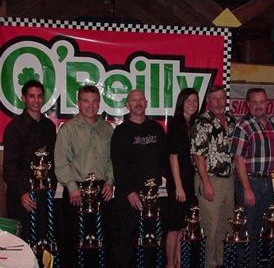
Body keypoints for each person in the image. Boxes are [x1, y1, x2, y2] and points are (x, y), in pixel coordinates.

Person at [54, 85, 114, 267]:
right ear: (79, 103)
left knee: (101, 240)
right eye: (86, 101)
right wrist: (72, 188)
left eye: (95, 101)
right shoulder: (68, 129)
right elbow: (61, 162)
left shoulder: (107, 129)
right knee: (74, 242)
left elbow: (113, 159)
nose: (91, 105)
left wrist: (110, 181)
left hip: (102, 190)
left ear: (99, 103)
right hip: (76, 192)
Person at [110, 89, 168, 268]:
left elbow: (164, 160)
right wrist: (129, 191)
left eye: (141, 99)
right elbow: (117, 165)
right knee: (126, 244)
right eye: (133, 100)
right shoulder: (121, 131)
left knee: (152, 241)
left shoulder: (156, 129)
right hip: (129, 197)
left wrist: (164, 187)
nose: (138, 103)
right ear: (127, 105)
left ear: (146, 102)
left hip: (153, 195)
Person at [230, 88, 274, 267]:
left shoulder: (272, 126)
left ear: (267, 103)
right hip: (249, 182)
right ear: (248, 104)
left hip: (267, 182)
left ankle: (255, 263)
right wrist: (246, 188)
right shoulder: (243, 126)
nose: (259, 106)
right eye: (254, 102)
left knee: (261, 228)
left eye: (262, 102)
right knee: (246, 229)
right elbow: (238, 159)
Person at [3, 80, 56, 242]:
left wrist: (51, 187)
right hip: (23, 196)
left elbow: (53, 159)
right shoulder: (14, 127)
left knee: (44, 240)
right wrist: (22, 193)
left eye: (40, 96)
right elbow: (9, 166)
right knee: (24, 242)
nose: (36, 100)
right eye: (32, 96)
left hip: (44, 194)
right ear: (23, 98)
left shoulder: (49, 126)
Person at [190, 85, 235, 268]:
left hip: (229, 180)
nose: (218, 102)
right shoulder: (202, 122)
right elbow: (198, 154)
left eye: (221, 98)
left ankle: (221, 263)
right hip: (209, 179)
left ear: (226, 100)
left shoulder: (231, 120)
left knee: (226, 225)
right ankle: (208, 264)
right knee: (211, 227)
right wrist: (206, 182)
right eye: (214, 99)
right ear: (208, 102)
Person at [165, 88, 199, 268]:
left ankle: (178, 263)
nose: (192, 104)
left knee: (183, 227)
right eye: (188, 101)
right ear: (181, 103)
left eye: (195, 101)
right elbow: (173, 156)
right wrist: (178, 186)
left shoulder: (193, 124)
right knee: (173, 227)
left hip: (190, 181)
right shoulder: (176, 123)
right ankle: (170, 264)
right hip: (179, 181)